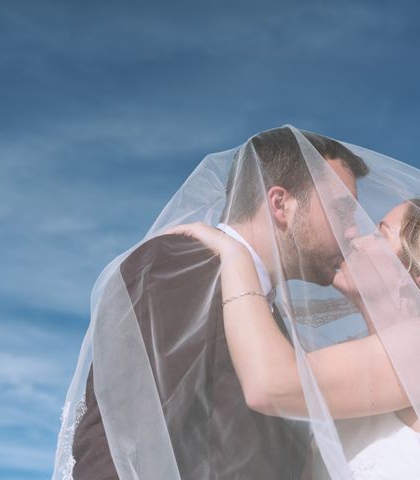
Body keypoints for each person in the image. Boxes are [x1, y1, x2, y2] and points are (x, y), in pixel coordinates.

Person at [53, 127, 369, 479]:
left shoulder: (264, 319)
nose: (354, 231)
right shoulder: (182, 264)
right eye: (343, 212)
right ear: (281, 204)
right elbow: (120, 441)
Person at [167, 197, 420, 478]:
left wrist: (235, 257)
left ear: (416, 274)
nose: (354, 238)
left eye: (379, 233)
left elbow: (270, 385)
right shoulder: (382, 362)